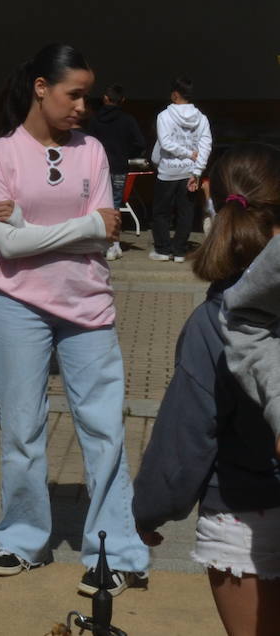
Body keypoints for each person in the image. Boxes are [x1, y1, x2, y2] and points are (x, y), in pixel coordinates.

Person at [0, 43, 148, 595]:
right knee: (20, 429)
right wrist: (85, 227)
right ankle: (22, 540)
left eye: (88, 96)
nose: (83, 106)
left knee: (104, 431)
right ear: (41, 88)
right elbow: (8, 244)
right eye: (74, 94)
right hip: (17, 307)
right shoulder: (0, 154)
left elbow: (104, 229)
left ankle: (115, 551)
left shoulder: (92, 151)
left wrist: (32, 230)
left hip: (88, 306)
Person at [134, 144, 280, 636]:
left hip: (240, 519)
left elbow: (187, 435)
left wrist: (150, 509)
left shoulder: (210, 323)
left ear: (211, 206)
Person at [151, 75, 212, 263]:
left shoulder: (164, 116)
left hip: (168, 171)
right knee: (186, 212)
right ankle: (179, 251)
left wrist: (185, 153)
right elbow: (206, 145)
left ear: (175, 94)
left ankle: (162, 250)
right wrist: (197, 170)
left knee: (161, 211)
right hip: (189, 173)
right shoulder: (201, 118)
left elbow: (166, 143)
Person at [83, 84, 146, 260]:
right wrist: (127, 153)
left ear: (105, 98)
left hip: (96, 168)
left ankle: (101, 244)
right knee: (116, 205)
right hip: (119, 166)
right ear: (122, 100)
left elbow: (87, 143)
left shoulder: (94, 120)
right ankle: (114, 245)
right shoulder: (128, 120)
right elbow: (139, 143)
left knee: (98, 206)